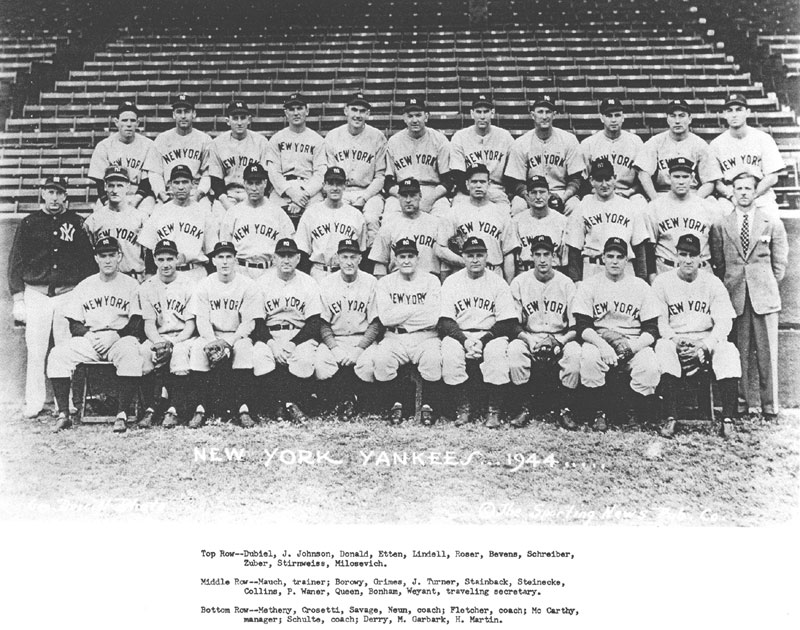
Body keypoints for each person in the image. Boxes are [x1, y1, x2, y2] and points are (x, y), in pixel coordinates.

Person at [7, 175, 95, 418]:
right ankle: (34, 402)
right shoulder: (29, 223)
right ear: (42, 193)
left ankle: (64, 403)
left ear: (66, 195)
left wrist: (84, 298)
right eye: (50, 191)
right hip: (37, 294)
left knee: (66, 350)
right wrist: (18, 298)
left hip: (68, 294)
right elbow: (16, 262)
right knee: (36, 350)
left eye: (59, 192)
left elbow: (88, 263)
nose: (54, 197)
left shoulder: (76, 223)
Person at [710, 172, 788, 421]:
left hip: (764, 297)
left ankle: (770, 407)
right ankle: (741, 405)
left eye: (748, 188)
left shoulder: (771, 222)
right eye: (739, 188)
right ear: (732, 191)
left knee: (767, 354)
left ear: (757, 192)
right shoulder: (721, 224)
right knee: (738, 353)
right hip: (736, 297)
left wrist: (762, 283)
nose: (743, 192)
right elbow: (719, 263)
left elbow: (779, 264)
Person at [46, 237, 144, 433]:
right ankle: (64, 414)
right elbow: (74, 323)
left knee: (131, 353)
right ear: (96, 258)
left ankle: (122, 414)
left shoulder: (131, 285)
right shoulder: (85, 285)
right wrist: (88, 336)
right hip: (92, 338)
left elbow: (137, 322)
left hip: (119, 338)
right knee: (58, 355)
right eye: (103, 255)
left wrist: (116, 335)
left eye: (111, 255)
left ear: (119, 256)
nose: (107, 260)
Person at [652, 234, 741, 439]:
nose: (688, 260)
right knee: (663, 348)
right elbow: (660, 323)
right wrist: (675, 341)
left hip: (705, 338)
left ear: (701, 258)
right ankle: (671, 417)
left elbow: (725, 321)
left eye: (693, 255)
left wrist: (705, 345)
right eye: (683, 254)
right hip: (676, 339)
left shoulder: (712, 282)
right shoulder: (663, 282)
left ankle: (728, 419)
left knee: (728, 350)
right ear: (676, 256)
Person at [572, 237, 662, 431]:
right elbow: (582, 325)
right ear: (603, 257)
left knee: (649, 366)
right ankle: (599, 412)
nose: (614, 261)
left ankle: (631, 411)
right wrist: (602, 346)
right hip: (599, 338)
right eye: (610, 256)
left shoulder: (640, 286)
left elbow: (652, 328)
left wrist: (633, 347)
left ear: (627, 260)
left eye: (619, 257)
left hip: (632, 338)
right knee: (589, 359)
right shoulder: (589, 285)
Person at [439, 236, 518, 428]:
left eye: (479, 255)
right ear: (463, 257)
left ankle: (494, 410)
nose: (475, 259)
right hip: (461, 334)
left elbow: (507, 321)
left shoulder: (498, 282)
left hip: (490, 334)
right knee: (449, 353)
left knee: (497, 354)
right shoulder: (451, 282)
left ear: (487, 257)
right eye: (470, 255)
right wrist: (465, 340)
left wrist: (483, 341)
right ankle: (463, 407)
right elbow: (445, 320)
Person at [507, 235, 581, 429]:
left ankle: (565, 409)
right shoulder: (520, 282)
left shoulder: (566, 283)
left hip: (561, 335)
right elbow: (513, 324)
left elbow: (576, 326)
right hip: (530, 335)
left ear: (554, 257)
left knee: (574, 355)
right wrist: (529, 341)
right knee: (515, 350)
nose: (542, 259)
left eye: (546, 254)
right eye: (537, 254)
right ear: (531, 256)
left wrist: (561, 342)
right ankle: (524, 407)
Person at [187, 241, 262, 428]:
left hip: (237, 335)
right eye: (220, 257)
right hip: (212, 334)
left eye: (229, 257)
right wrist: (213, 342)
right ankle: (200, 409)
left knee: (244, 349)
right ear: (213, 260)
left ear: (236, 260)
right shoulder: (205, 284)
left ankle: (244, 409)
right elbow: (201, 319)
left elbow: (249, 322)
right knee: (197, 349)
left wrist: (231, 342)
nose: (225, 261)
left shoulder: (247, 284)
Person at [372, 238, 443, 425]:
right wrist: (418, 310)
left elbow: (433, 317)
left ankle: (429, 405)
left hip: (426, 335)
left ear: (418, 258)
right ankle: (397, 403)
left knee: (433, 359)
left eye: (410, 256)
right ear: (395, 259)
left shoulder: (431, 280)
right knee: (382, 360)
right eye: (402, 256)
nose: (406, 261)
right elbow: (386, 318)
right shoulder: (385, 283)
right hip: (395, 335)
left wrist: (400, 312)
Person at [252, 238, 323, 423]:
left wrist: (293, 343)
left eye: (290, 255)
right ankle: (285, 404)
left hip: (299, 333)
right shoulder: (262, 282)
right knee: (260, 357)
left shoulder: (308, 282)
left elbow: (314, 322)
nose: (286, 260)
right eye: (281, 255)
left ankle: (285, 405)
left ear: (298, 258)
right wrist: (272, 345)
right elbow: (258, 322)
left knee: (304, 359)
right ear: (274, 258)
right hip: (271, 334)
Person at [316, 238, 380, 419]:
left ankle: (361, 403)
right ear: (337, 258)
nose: (349, 262)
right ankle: (336, 402)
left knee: (368, 365)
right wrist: (334, 348)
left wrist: (360, 349)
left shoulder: (371, 282)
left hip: (363, 338)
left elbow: (376, 323)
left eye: (353, 257)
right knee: (321, 364)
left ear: (360, 259)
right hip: (336, 338)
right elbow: (322, 322)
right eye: (344, 257)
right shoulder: (326, 283)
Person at [137, 238, 197, 428]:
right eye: (161, 259)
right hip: (158, 335)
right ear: (154, 260)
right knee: (144, 352)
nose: (165, 264)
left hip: (183, 336)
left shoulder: (189, 284)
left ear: (177, 259)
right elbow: (148, 324)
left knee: (179, 354)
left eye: (170, 259)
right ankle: (151, 408)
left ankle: (173, 409)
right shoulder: (146, 287)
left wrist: (174, 343)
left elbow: (190, 324)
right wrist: (158, 342)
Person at [564, 158, 650, 282]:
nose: (604, 184)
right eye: (599, 180)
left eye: (608, 179)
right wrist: (576, 281)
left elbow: (639, 248)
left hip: (625, 269)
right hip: (593, 268)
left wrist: (641, 280)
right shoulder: (583, 206)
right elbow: (574, 250)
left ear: (614, 178)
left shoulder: (630, 206)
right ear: (592, 181)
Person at [322, 92, 387, 246]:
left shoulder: (377, 137)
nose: (358, 115)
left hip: (369, 192)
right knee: (337, 218)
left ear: (368, 114)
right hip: (341, 190)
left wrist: (364, 197)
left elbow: (380, 176)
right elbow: (329, 174)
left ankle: (369, 263)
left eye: (362, 111)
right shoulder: (333, 136)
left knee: (371, 219)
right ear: (346, 111)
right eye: (354, 110)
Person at [504, 94, 583, 215]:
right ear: (532, 115)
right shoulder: (521, 143)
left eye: (548, 112)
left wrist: (564, 197)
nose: (544, 116)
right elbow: (517, 182)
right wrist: (528, 197)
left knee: (575, 206)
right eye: (540, 112)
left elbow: (576, 178)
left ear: (554, 115)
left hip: (560, 191)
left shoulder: (569, 140)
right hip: (531, 193)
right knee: (517, 207)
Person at [138, 165, 217, 284]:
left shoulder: (203, 212)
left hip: (195, 273)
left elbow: (211, 251)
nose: (181, 187)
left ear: (192, 184)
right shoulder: (160, 211)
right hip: (167, 275)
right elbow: (149, 250)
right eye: (177, 182)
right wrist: (149, 275)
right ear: (170, 185)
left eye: (185, 182)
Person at [709, 93, 785, 215]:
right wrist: (733, 197)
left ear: (748, 112)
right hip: (730, 197)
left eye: (739, 110)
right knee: (720, 221)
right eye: (729, 110)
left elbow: (772, 177)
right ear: (724, 114)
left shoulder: (764, 139)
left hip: (760, 194)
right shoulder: (716, 144)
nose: (734, 114)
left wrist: (753, 195)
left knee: (771, 221)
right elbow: (717, 182)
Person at [646, 157, 722, 279]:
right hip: (667, 269)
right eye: (676, 176)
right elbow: (649, 247)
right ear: (669, 178)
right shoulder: (655, 207)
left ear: (692, 179)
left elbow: (716, 248)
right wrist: (652, 276)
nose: (681, 181)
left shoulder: (707, 207)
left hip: (701, 271)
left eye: (685, 177)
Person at [444, 164, 520, 282]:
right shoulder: (454, 212)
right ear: (467, 184)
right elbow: (441, 248)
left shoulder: (501, 213)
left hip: (493, 272)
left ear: (489, 184)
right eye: (474, 182)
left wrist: (508, 285)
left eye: (482, 182)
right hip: (463, 274)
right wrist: (465, 262)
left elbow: (508, 253)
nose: (478, 185)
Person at [218, 163, 295, 279]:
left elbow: (289, 247)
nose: (254, 188)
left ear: (265, 183)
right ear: (244, 184)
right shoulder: (233, 212)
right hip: (241, 270)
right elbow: (224, 248)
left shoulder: (277, 212)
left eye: (258, 183)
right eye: (250, 183)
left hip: (269, 270)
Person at [634, 99, 721, 201]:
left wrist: (696, 200)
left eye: (682, 115)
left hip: (692, 194)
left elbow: (709, 181)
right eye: (672, 116)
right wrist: (655, 199)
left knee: (712, 202)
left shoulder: (700, 144)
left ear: (690, 119)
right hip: (663, 194)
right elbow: (643, 174)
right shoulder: (656, 142)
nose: (677, 121)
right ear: (667, 119)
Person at [383, 96, 452, 218]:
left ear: (426, 116)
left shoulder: (439, 140)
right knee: (389, 217)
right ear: (404, 118)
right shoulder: (394, 142)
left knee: (445, 218)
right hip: (402, 191)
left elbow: (447, 181)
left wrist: (429, 199)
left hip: (431, 191)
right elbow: (388, 182)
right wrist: (403, 197)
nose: (414, 120)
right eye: (410, 116)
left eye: (418, 115)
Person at [295, 166, 367, 280]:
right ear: (324, 185)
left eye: (339, 183)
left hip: (346, 273)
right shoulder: (311, 213)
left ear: (345, 185)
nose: (335, 188)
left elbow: (362, 252)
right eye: (331, 183)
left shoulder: (356, 215)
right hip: (319, 271)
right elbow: (302, 251)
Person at [369, 177, 449, 278]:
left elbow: (444, 265)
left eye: (412, 195)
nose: (408, 200)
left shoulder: (436, 223)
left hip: (429, 282)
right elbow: (380, 264)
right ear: (398, 197)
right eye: (404, 195)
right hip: (398, 283)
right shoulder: (388, 225)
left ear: (420, 196)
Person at [88, 100, 159, 213]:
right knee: (100, 215)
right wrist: (108, 203)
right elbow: (100, 182)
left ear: (138, 123)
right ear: (116, 122)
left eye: (132, 120)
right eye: (124, 120)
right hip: (112, 194)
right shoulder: (104, 145)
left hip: (139, 195)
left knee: (146, 214)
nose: (129, 124)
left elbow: (148, 181)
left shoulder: (148, 145)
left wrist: (134, 202)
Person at [449, 93, 514, 213]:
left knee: (504, 215)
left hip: (495, 189)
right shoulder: (460, 137)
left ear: (492, 113)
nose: (482, 116)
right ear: (472, 113)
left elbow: (511, 173)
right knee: (457, 213)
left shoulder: (505, 137)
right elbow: (458, 173)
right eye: (478, 112)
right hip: (467, 191)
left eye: (486, 111)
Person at [266, 92, 325, 222]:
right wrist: (291, 192)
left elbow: (320, 173)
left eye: (300, 108)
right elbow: (273, 172)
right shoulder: (276, 139)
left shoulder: (317, 140)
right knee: (270, 217)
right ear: (286, 113)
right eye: (291, 109)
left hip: (309, 189)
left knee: (318, 218)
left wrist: (304, 195)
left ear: (307, 111)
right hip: (283, 188)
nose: (296, 113)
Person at [579, 98, 646, 212]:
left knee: (641, 204)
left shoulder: (636, 142)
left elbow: (642, 178)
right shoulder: (588, 143)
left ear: (623, 117)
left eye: (617, 115)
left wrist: (629, 192)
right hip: (599, 194)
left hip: (627, 193)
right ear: (602, 118)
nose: (614, 120)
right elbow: (583, 179)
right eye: (609, 116)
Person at [82, 166, 148, 282]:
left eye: (120, 185)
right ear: (105, 187)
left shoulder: (141, 218)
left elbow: (148, 256)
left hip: (134, 278)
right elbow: (88, 256)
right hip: (105, 280)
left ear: (128, 187)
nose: (115, 190)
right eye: (111, 185)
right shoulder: (93, 220)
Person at [150, 93, 213, 212]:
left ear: (194, 113)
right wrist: (162, 195)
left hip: (195, 193)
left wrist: (199, 194)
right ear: (173, 114)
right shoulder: (162, 139)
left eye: (187, 111)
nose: (183, 116)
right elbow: (155, 173)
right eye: (179, 111)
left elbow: (207, 173)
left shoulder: (205, 139)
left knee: (206, 217)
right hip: (169, 193)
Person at [208, 99, 270, 213]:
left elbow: (266, 176)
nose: (239, 122)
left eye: (243, 117)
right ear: (228, 121)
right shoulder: (217, 143)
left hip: (253, 193)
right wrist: (225, 202)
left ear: (249, 119)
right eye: (235, 118)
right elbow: (216, 179)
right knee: (219, 220)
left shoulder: (261, 142)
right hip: (227, 194)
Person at [512, 176, 568, 275]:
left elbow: (565, 260)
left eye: (542, 192)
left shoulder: (562, 221)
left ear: (549, 194)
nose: (538, 197)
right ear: (527, 196)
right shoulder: (517, 221)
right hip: (525, 272)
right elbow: (512, 258)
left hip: (553, 274)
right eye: (533, 192)